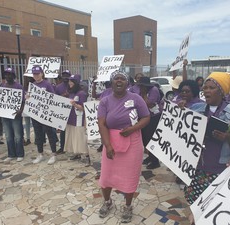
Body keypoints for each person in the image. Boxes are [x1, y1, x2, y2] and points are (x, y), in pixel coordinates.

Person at [184, 72, 230, 205]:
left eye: (211, 88)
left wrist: (229, 137)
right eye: (205, 88)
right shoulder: (196, 109)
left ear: (222, 91)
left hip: (221, 169)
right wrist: (181, 113)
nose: (206, 91)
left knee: (214, 204)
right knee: (195, 202)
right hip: (197, 167)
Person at [97, 71, 150, 223]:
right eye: (116, 78)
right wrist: (107, 145)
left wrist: (133, 129)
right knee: (106, 176)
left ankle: (128, 206)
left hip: (132, 142)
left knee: (130, 176)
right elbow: (101, 124)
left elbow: (146, 117)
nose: (119, 81)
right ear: (111, 82)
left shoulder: (136, 98)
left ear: (127, 83)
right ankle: (107, 202)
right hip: (110, 141)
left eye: (122, 78)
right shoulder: (105, 101)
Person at [29, 66, 57, 165]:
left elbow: (53, 97)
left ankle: (53, 154)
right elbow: (30, 98)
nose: (36, 75)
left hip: (45, 114)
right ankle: (40, 153)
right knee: (38, 135)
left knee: (50, 134)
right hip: (36, 114)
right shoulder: (32, 85)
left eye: (37, 73)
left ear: (42, 73)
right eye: (34, 74)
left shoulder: (47, 84)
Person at [135, 76, 162, 169]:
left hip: (153, 117)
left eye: (142, 86)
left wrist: (144, 93)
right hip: (144, 117)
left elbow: (147, 103)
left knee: (151, 138)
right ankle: (150, 157)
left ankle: (155, 161)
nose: (140, 87)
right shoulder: (141, 91)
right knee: (145, 139)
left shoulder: (153, 90)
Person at [64, 74, 90, 165]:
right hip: (71, 119)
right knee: (72, 137)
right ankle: (77, 152)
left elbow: (83, 107)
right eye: (69, 81)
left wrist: (75, 104)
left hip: (78, 119)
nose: (70, 83)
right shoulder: (71, 93)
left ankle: (86, 156)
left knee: (80, 137)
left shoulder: (81, 93)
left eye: (72, 81)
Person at [1, 68, 25, 162]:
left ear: (14, 76)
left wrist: (20, 111)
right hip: (5, 115)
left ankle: (20, 154)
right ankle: (11, 154)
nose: (7, 76)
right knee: (8, 135)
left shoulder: (19, 87)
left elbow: (23, 101)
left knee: (18, 135)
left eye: (10, 74)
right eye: (6, 74)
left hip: (16, 115)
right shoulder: (2, 86)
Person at [55, 70, 71, 154]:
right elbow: (55, 99)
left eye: (67, 76)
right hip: (62, 111)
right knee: (62, 130)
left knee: (71, 130)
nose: (66, 77)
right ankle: (62, 147)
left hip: (72, 111)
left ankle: (71, 146)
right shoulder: (58, 87)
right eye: (64, 75)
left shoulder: (72, 85)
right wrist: (62, 96)